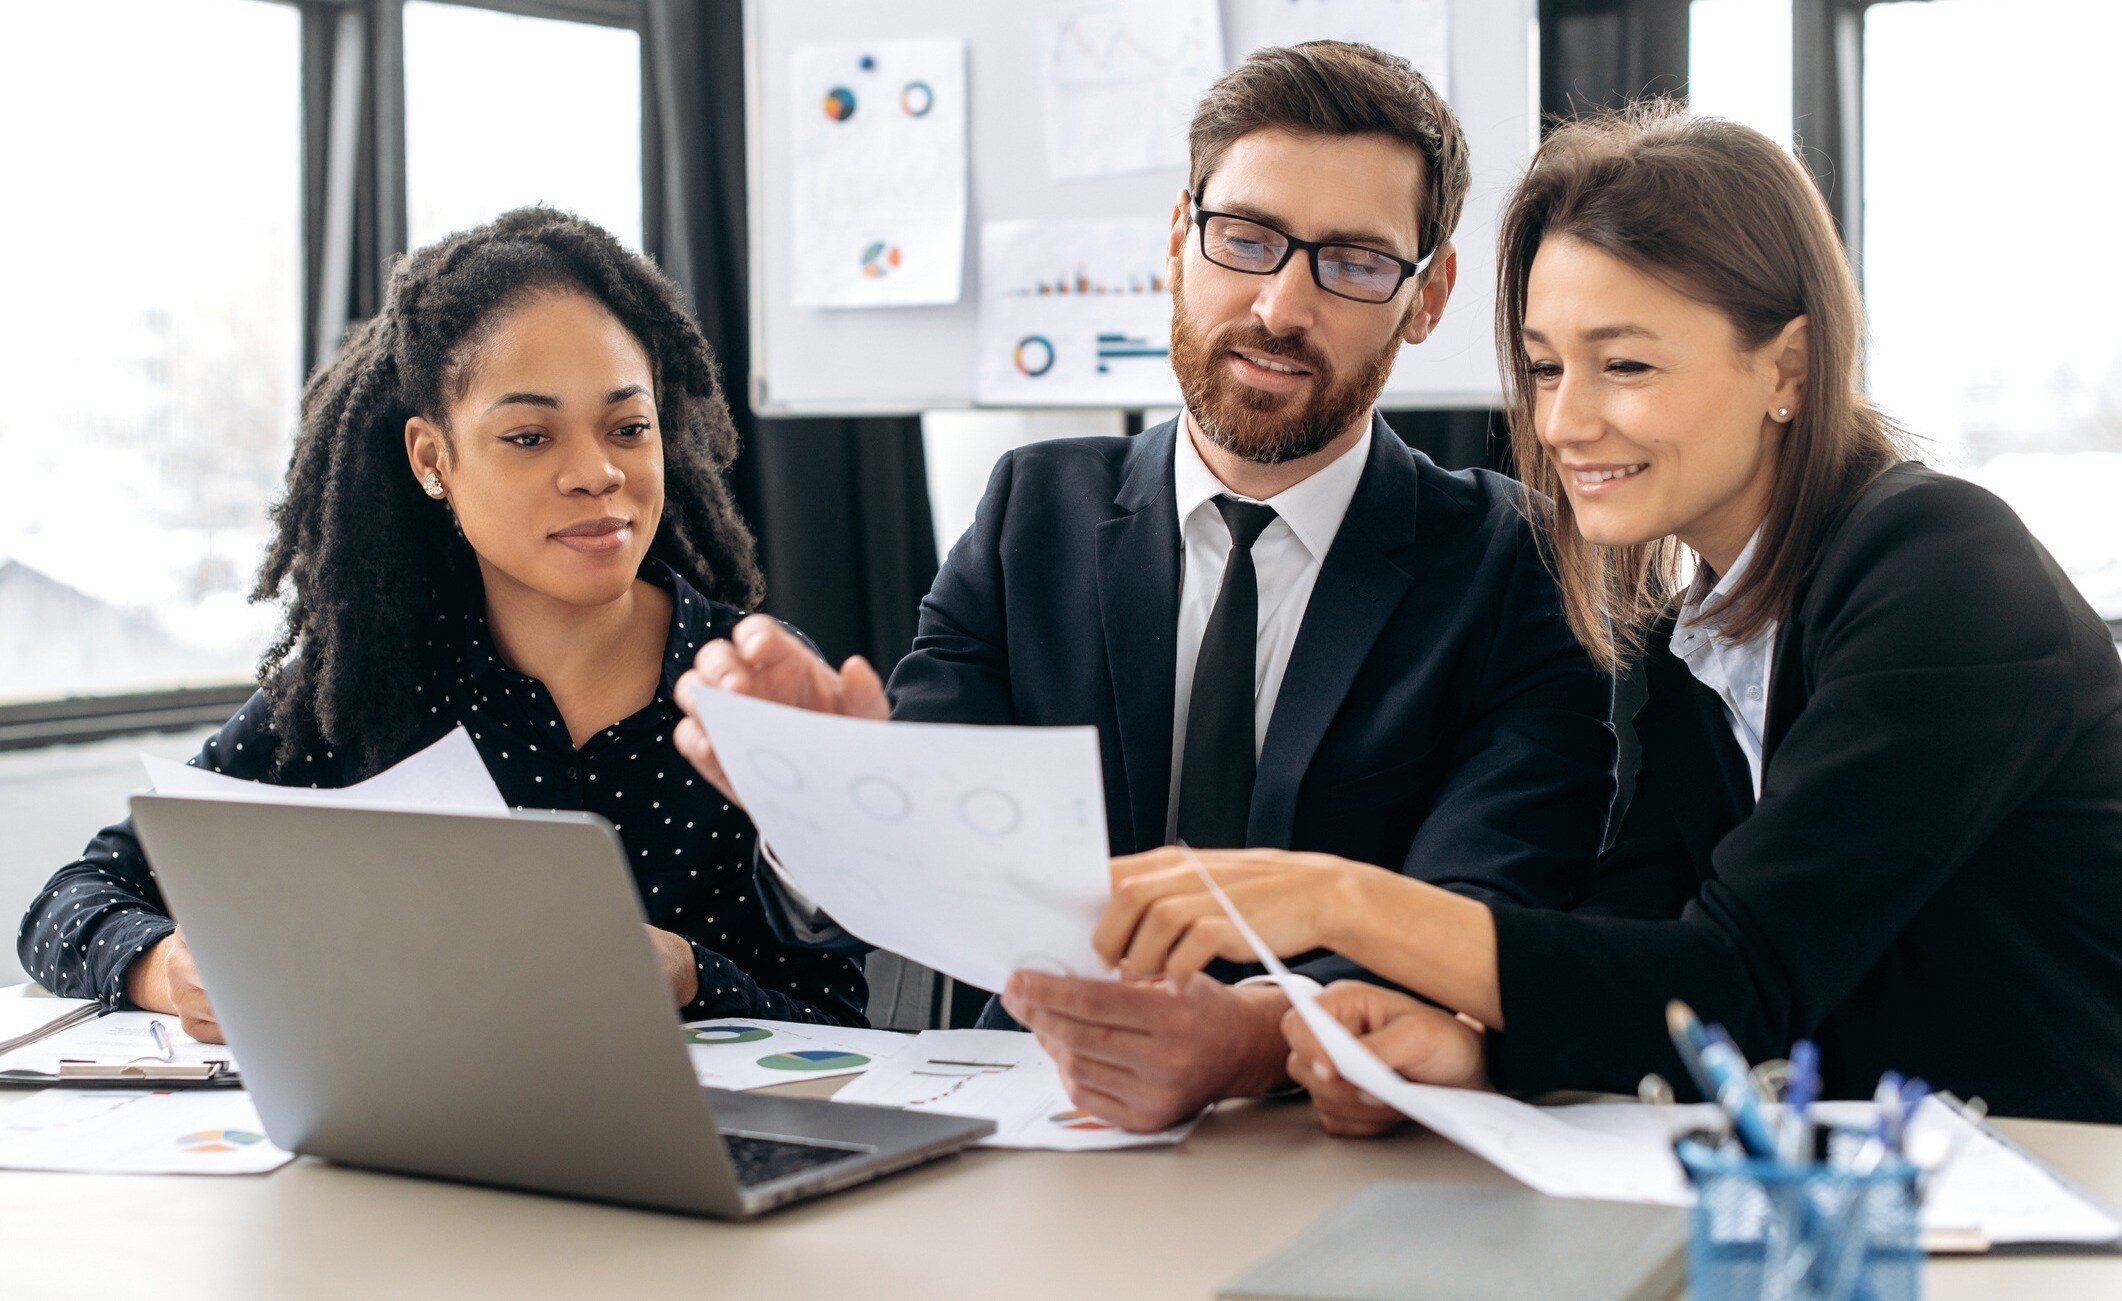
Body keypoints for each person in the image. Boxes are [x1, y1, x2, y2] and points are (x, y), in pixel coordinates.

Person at [1092, 104, 2122, 1126]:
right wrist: (1471, 1049)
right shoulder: (1693, 647)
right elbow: (1634, 944)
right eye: (1544, 365)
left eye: (1623, 363)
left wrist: (1333, 897)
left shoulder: (1940, 567)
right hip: (1863, 1189)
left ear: (1789, 369)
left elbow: (1737, 976)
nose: (1562, 421)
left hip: (2065, 1193)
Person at [673, 43, 1616, 1132]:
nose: (1277, 306)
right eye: (1246, 239)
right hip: (1037, 1123)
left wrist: (1258, 1035)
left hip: (1334, 1136)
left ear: (1427, 293)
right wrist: (821, 795)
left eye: (1352, 262)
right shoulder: (1035, 511)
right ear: (1179, 237)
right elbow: (922, 864)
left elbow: (1486, 914)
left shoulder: (1517, 562)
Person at [17, 208, 866, 1041]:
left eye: (628, 428)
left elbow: (845, 1013)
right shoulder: (362, 688)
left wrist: (687, 973)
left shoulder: (753, 682)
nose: (598, 471)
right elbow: (70, 899)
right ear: (433, 459)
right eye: (531, 436)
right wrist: (162, 966)